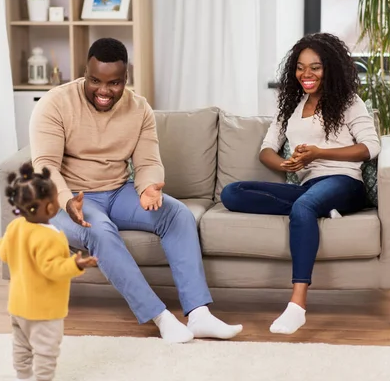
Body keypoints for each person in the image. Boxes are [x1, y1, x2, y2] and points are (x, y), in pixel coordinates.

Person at [29, 37, 242, 343]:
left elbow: (147, 161)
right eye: (95, 81)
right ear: (85, 73)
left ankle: (198, 315)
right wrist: (65, 201)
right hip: (68, 197)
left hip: (116, 191)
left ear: (125, 79)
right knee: (98, 230)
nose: (103, 91)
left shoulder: (139, 108)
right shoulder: (55, 102)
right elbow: (45, 165)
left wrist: (149, 188)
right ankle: (161, 317)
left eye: (113, 83)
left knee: (177, 214)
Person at [220, 32, 381, 335]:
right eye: (300, 67)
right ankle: (323, 209)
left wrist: (320, 153)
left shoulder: (349, 102)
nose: (306, 74)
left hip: (344, 180)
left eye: (315, 67)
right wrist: (286, 164)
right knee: (232, 193)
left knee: (304, 206)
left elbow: (370, 147)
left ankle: (297, 305)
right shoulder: (292, 108)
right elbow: (266, 148)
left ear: (330, 68)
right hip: (309, 186)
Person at [0, 162, 98, 381]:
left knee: (22, 346)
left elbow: (4, 252)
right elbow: (52, 269)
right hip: (43, 310)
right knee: (46, 351)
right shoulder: (50, 237)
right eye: (54, 200)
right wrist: (76, 264)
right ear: (49, 208)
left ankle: (23, 376)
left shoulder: (15, 227)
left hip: (18, 305)